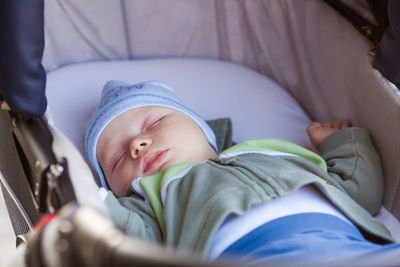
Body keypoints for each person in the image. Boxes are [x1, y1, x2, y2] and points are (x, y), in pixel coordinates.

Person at [85, 80, 399, 265]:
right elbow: (123, 236)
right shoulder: (154, 201)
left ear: (201, 128)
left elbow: (359, 191)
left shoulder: (272, 150)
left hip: (357, 252)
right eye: (116, 159)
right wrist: (86, 195)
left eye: (154, 123)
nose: (137, 145)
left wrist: (340, 142)